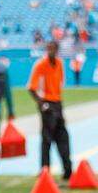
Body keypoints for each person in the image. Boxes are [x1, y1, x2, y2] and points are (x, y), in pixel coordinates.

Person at [28, 40, 72, 180]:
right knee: (46, 140)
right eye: (49, 49)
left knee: (63, 137)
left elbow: (59, 85)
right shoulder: (40, 65)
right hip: (47, 104)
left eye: (53, 49)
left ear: (57, 49)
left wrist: (60, 106)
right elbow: (31, 88)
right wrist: (42, 104)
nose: (51, 51)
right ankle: (45, 171)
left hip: (57, 103)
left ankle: (68, 170)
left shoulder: (60, 64)